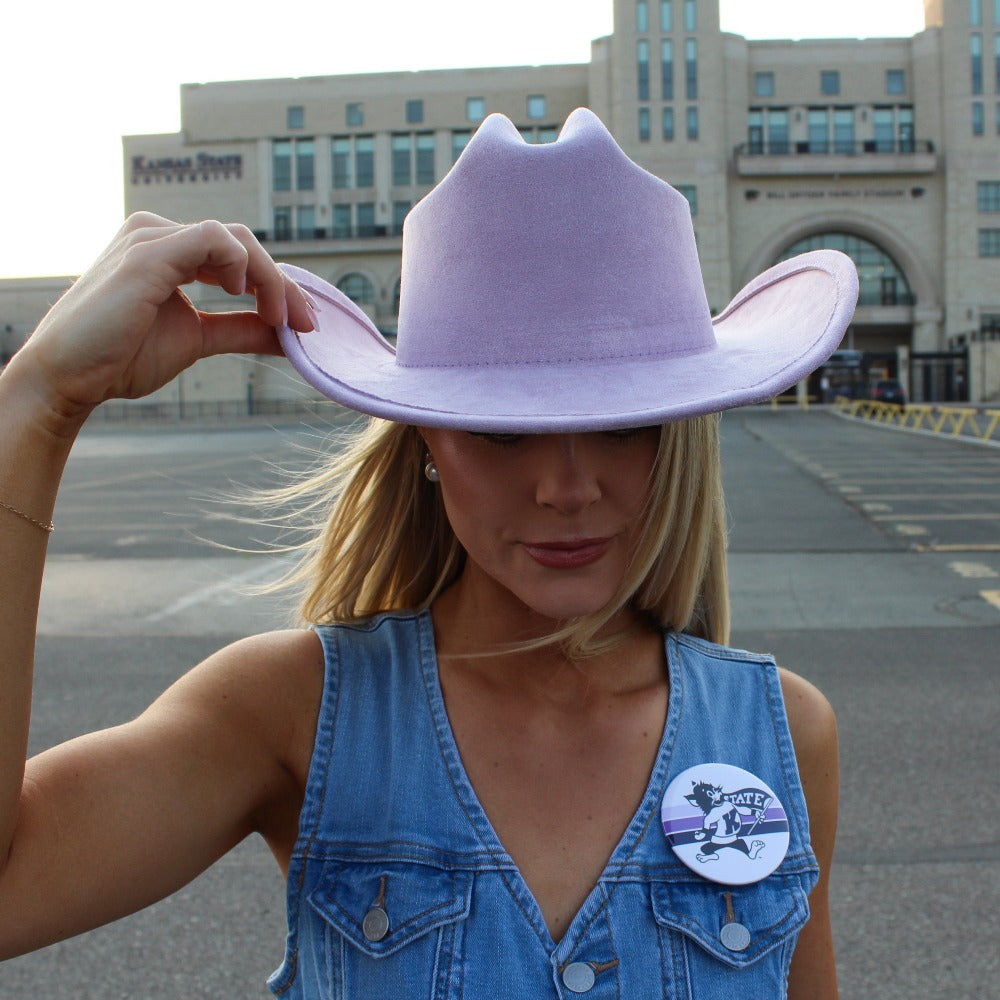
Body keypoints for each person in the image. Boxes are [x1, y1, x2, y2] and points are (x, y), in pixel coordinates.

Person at [0, 109, 855, 997]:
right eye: (499, 429)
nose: (567, 487)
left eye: (627, 423)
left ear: (684, 432)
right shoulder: (298, 711)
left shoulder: (784, 734)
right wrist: (38, 402)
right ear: (424, 445)